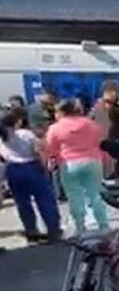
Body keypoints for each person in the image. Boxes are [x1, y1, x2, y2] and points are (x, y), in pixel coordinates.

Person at [45, 99, 110, 234]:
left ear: (62, 112)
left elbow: (50, 148)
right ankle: (103, 225)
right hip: (92, 160)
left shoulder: (55, 128)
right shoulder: (90, 123)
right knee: (96, 193)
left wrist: (52, 158)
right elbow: (100, 139)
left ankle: (80, 226)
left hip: (69, 163)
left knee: (74, 195)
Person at [1, 108, 62, 242]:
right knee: (45, 200)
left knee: (23, 203)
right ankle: (53, 230)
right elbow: (38, 150)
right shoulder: (25, 134)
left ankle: (31, 230)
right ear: (17, 122)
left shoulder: (3, 137)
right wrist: (44, 165)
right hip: (31, 166)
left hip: (12, 169)